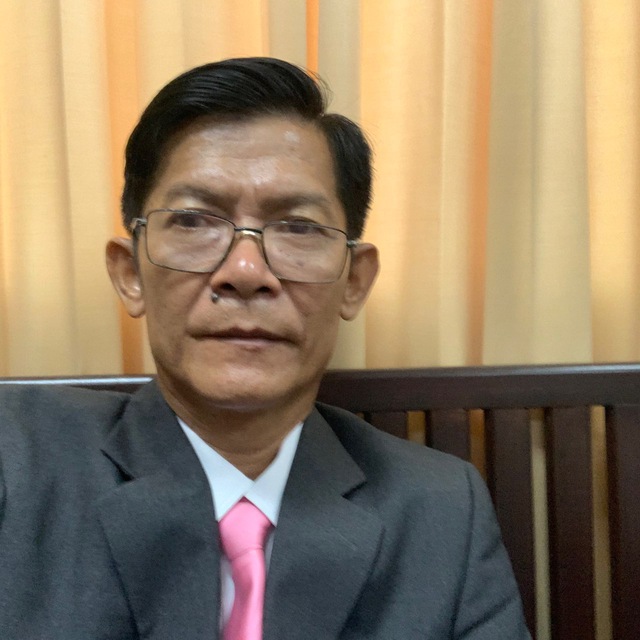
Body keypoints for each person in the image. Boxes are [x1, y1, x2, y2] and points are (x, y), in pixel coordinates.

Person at [0, 57, 530, 639]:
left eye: (298, 227)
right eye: (194, 221)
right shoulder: (17, 460)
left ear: (354, 282)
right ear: (130, 274)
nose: (246, 272)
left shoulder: (441, 509)